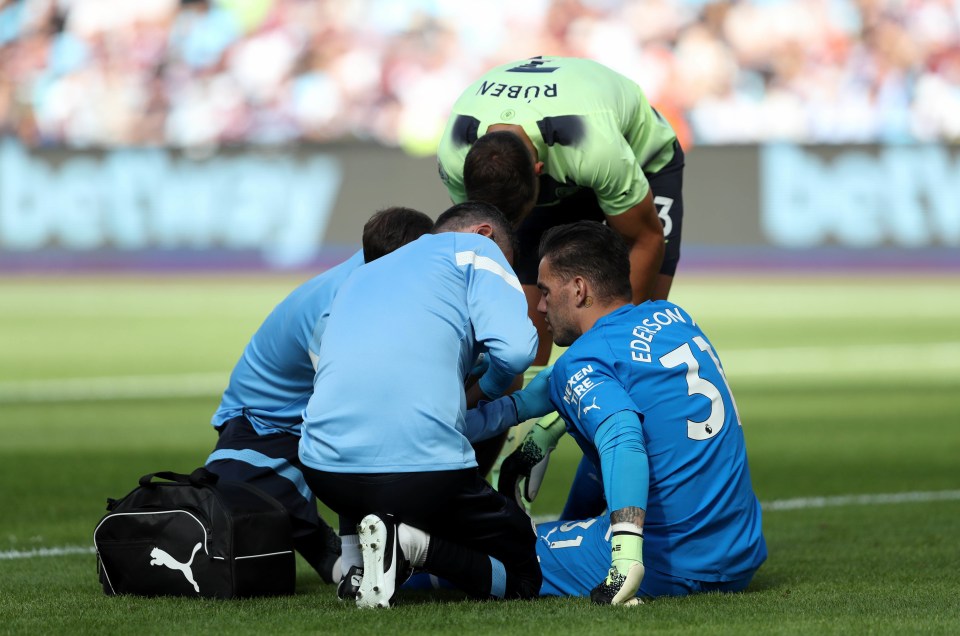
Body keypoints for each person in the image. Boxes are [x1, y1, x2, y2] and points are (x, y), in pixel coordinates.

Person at [498, 220, 766, 603]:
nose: (539, 307)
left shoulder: (583, 360)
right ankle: (581, 534)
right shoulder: (675, 319)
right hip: (738, 554)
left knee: (495, 550)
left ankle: (411, 552)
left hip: (666, 563)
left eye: (545, 291)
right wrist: (548, 431)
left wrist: (624, 560)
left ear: (578, 290)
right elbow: (638, 413)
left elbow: (622, 438)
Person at [298, 201, 546, 608]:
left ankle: (357, 565)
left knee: (372, 438)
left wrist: (508, 407)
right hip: (425, 474)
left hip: (324, 473)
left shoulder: (361, 276)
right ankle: (411, 546)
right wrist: (490, 391)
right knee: (525, 573)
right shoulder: (476, 251)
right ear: (484, 236)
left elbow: (370, 399)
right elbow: (517, 353)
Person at [204, 206, 434, 585]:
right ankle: (356, 559)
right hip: (263, 421)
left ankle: (357, 558)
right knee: (360, 437)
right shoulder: (335, 308)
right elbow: (346, 401)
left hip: (301, 412)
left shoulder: (379, 267)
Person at [437, 55, 685, 366]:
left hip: (639, 159)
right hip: (563, 159)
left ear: (540, 172)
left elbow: (645, 240)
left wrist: (607, 355)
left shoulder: (594, 147)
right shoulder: (454, 154)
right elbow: (481, 252)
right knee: (523, 344)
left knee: (635, 334)